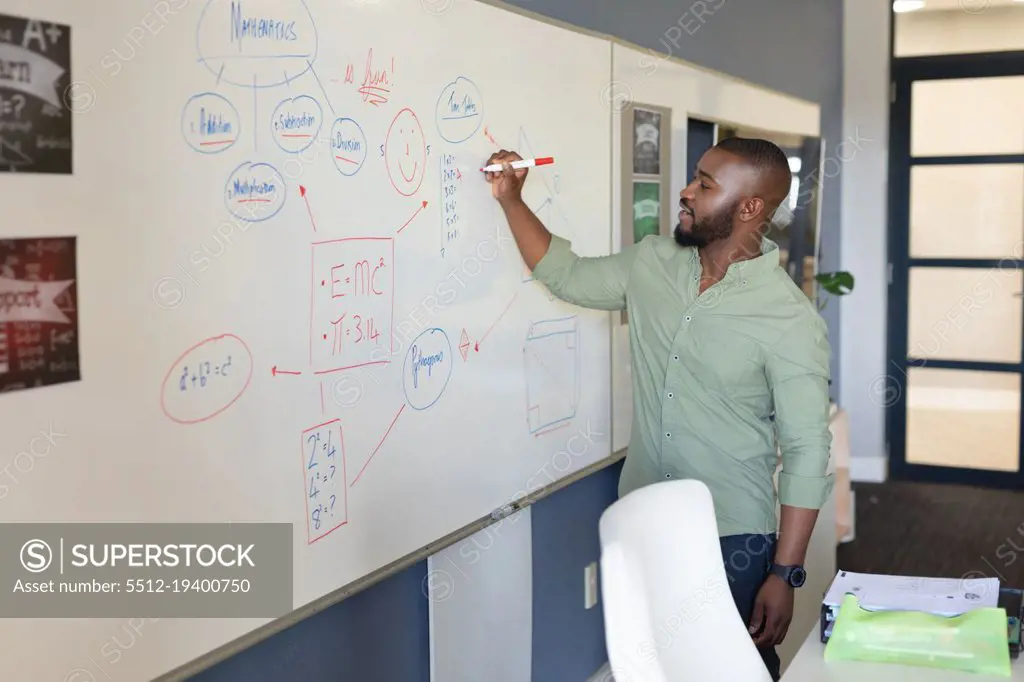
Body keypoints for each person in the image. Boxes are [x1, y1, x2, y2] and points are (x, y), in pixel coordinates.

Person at [484, 137, 834, 681]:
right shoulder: (652, 262)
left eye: (705, 185)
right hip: (642, 520)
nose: (686, 193)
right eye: (695, 178)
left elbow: (808, 451)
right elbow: (567, 275)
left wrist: (784, 573)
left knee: (728, 670)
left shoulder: (789, 320)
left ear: (750, 209)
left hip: (732, 538)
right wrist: (511, 199)